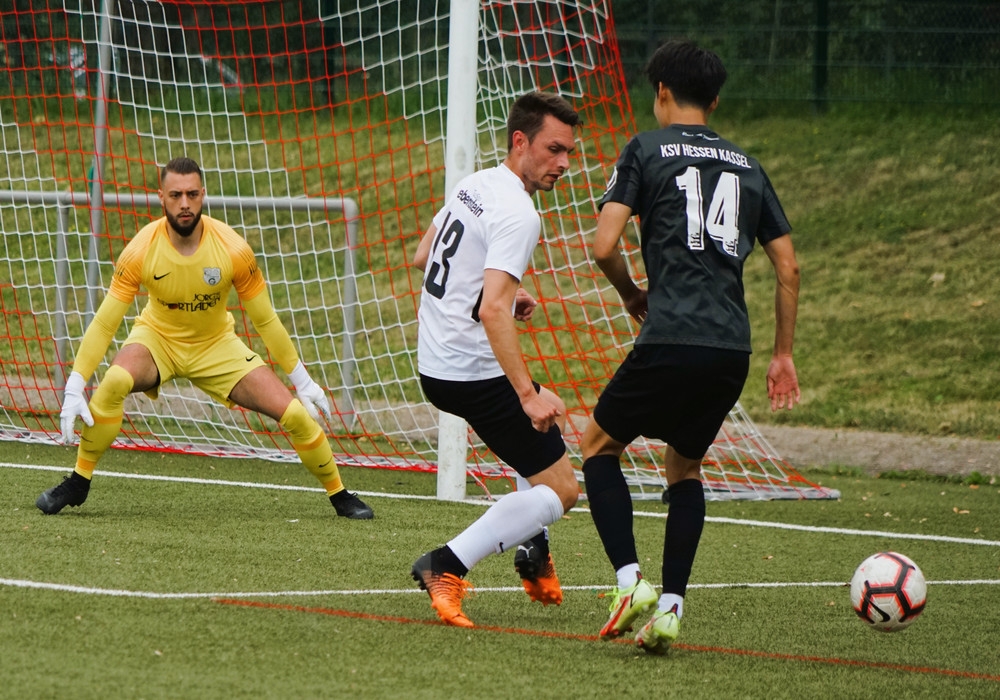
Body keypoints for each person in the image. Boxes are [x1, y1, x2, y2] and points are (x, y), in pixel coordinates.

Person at [581, 39, 801, 653]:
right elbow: (788, 266)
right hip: (730, 349)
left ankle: (629, 583)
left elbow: (602, 246)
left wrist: (631, 292)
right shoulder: (748, 165)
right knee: (684, 468)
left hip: (670, 334)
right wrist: (783, 355)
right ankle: (672, 607)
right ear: (715, 100)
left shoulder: (646, 149)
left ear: (661, 92)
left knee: (598, 447)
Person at [37, 156, 374, 520]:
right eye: (176, 195)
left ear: (203, 194)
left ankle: (340, 495)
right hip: (157, 340)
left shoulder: (232, 249)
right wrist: (75, 384)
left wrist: (302, 381)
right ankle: (78, 481)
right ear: (162, 197)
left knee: (295, 414)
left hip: (216, 347)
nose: (185, 203)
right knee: (115, 380)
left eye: (192, 194)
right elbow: (105, 323)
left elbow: (266, 320)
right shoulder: (140, 249)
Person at [410, 91, 582, 627]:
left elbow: (423, 256)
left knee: (544, 429)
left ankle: (534, 549)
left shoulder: (475, 184)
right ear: (520, 141)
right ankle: (445, 564)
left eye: (569, 152)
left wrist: (507, 294)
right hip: (470, 372)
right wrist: (526, 394)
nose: (564, 163)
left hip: (435, 362)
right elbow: (491, 311)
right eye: (554, 149)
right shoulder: (520, 213)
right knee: (563, 490)